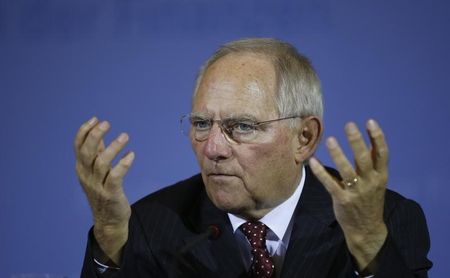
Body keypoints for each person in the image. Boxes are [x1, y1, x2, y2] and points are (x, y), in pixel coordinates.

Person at [75, 38, 432, 277]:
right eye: (201, 124)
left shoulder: (384, 220)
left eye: (241, 126)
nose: (213, 148)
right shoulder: (151, 226)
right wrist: (110, 238)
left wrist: (369, 247)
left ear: (304, 138)